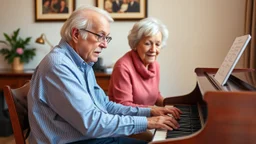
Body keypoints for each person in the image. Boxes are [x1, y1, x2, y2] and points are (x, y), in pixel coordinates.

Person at [28, 5, 181, 144]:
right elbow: (92, 124)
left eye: (106, 38)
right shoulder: (59, 66)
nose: (105, 44)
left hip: (89, 138)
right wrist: (148, 122)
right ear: (76, 34)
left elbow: (105, 105)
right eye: (100, 36)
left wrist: (150, 111)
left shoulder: (82, 64)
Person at [108, 17, 169, 108]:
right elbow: (124, 106)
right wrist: (154, 110)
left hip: (148, 118)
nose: (153, 50)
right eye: (148, 43)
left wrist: (172, 105)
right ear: (136, 44)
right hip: (127, 120)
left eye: (157, 44)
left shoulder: (155, 65)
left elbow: (155, 95)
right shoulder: (123, 67)